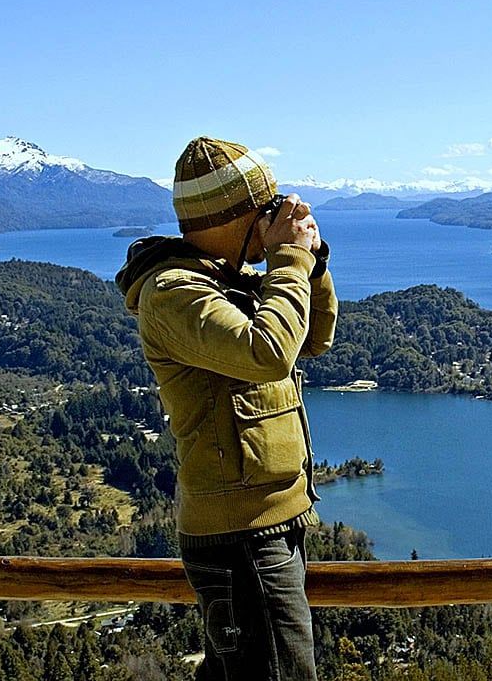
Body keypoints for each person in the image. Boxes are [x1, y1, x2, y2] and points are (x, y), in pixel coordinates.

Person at [116, 136, 337, 680]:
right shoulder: (175, 293)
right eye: (265, 209)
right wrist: (287, 257)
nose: (274, 218)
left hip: (270, 522)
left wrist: (310, 262)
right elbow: (267, 353)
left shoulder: (226, 279)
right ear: (233, 216)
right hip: (241, 536)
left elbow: (313, 338)